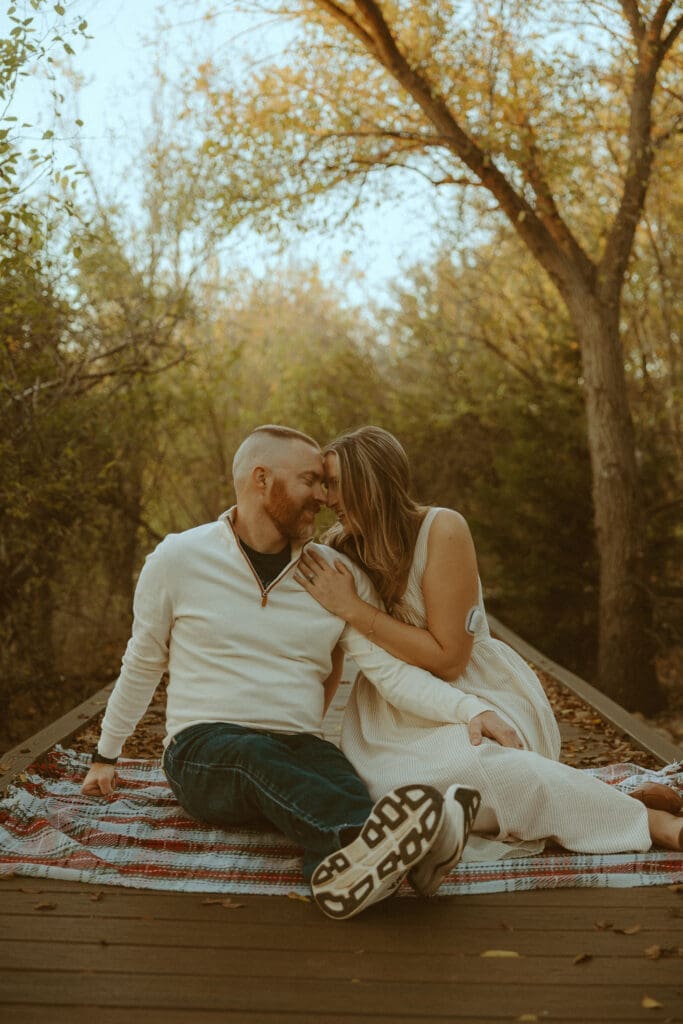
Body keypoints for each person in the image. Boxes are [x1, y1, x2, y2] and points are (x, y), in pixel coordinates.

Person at [81, 424, 505, 919]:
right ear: (262, 480)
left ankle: (351, 871)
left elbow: (390, 673)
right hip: (204, 751)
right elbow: (142, 661)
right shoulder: (180, 558)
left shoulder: (329, 576)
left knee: (344, 780)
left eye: (326, 484)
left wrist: (470, 708)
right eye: (311, 481)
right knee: (250, 752)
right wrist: (105, 754)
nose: (324, 497)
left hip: (301, 747)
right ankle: (393, 851)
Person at [294, 425, 683, 859]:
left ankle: (655, 824)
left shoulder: (442, 529)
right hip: (392, 711)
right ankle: (612, 798)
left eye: (333, 484)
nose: (325, 498)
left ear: (371, 482)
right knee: (393, 796)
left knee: (479, 769)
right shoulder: (340, 551)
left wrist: (354, 609)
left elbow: (449, 660)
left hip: (476, 691)